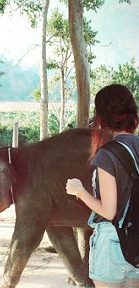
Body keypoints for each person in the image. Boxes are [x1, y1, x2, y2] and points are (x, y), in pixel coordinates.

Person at [66, 84, 139, 288]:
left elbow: (108, 211)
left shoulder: (107, 155)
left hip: (112, 245)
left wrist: (78, 190)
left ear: (101, 116)